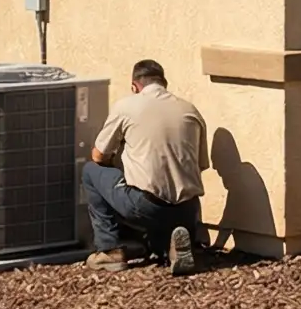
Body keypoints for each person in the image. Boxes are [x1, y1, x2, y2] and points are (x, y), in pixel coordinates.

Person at [83, 58, 208, 274]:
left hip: (147, 206)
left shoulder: (127, 106)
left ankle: (109, 250)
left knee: (90, 171)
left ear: (135, 86)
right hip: (188, 209)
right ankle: (173, 246)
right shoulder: (190, 110)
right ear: (164, 83)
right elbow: (201, 165)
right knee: (163, 201)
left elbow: (99, 155)